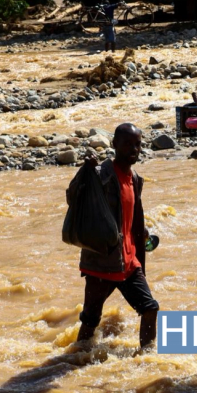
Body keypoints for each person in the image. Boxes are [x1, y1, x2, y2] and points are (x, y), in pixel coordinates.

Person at [66, 123, 159, 349]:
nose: (133, 149)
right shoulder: (101, 174)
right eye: (127, 144)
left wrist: (142, 244)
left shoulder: (135, 179)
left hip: (129, 263)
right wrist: (84, 173)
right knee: (90, 319)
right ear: (115, 144)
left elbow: (132, 220)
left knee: (150, 308)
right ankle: (72, 361)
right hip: (102, 262)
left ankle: (146, 359)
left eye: (137, 144)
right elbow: (72, 198)